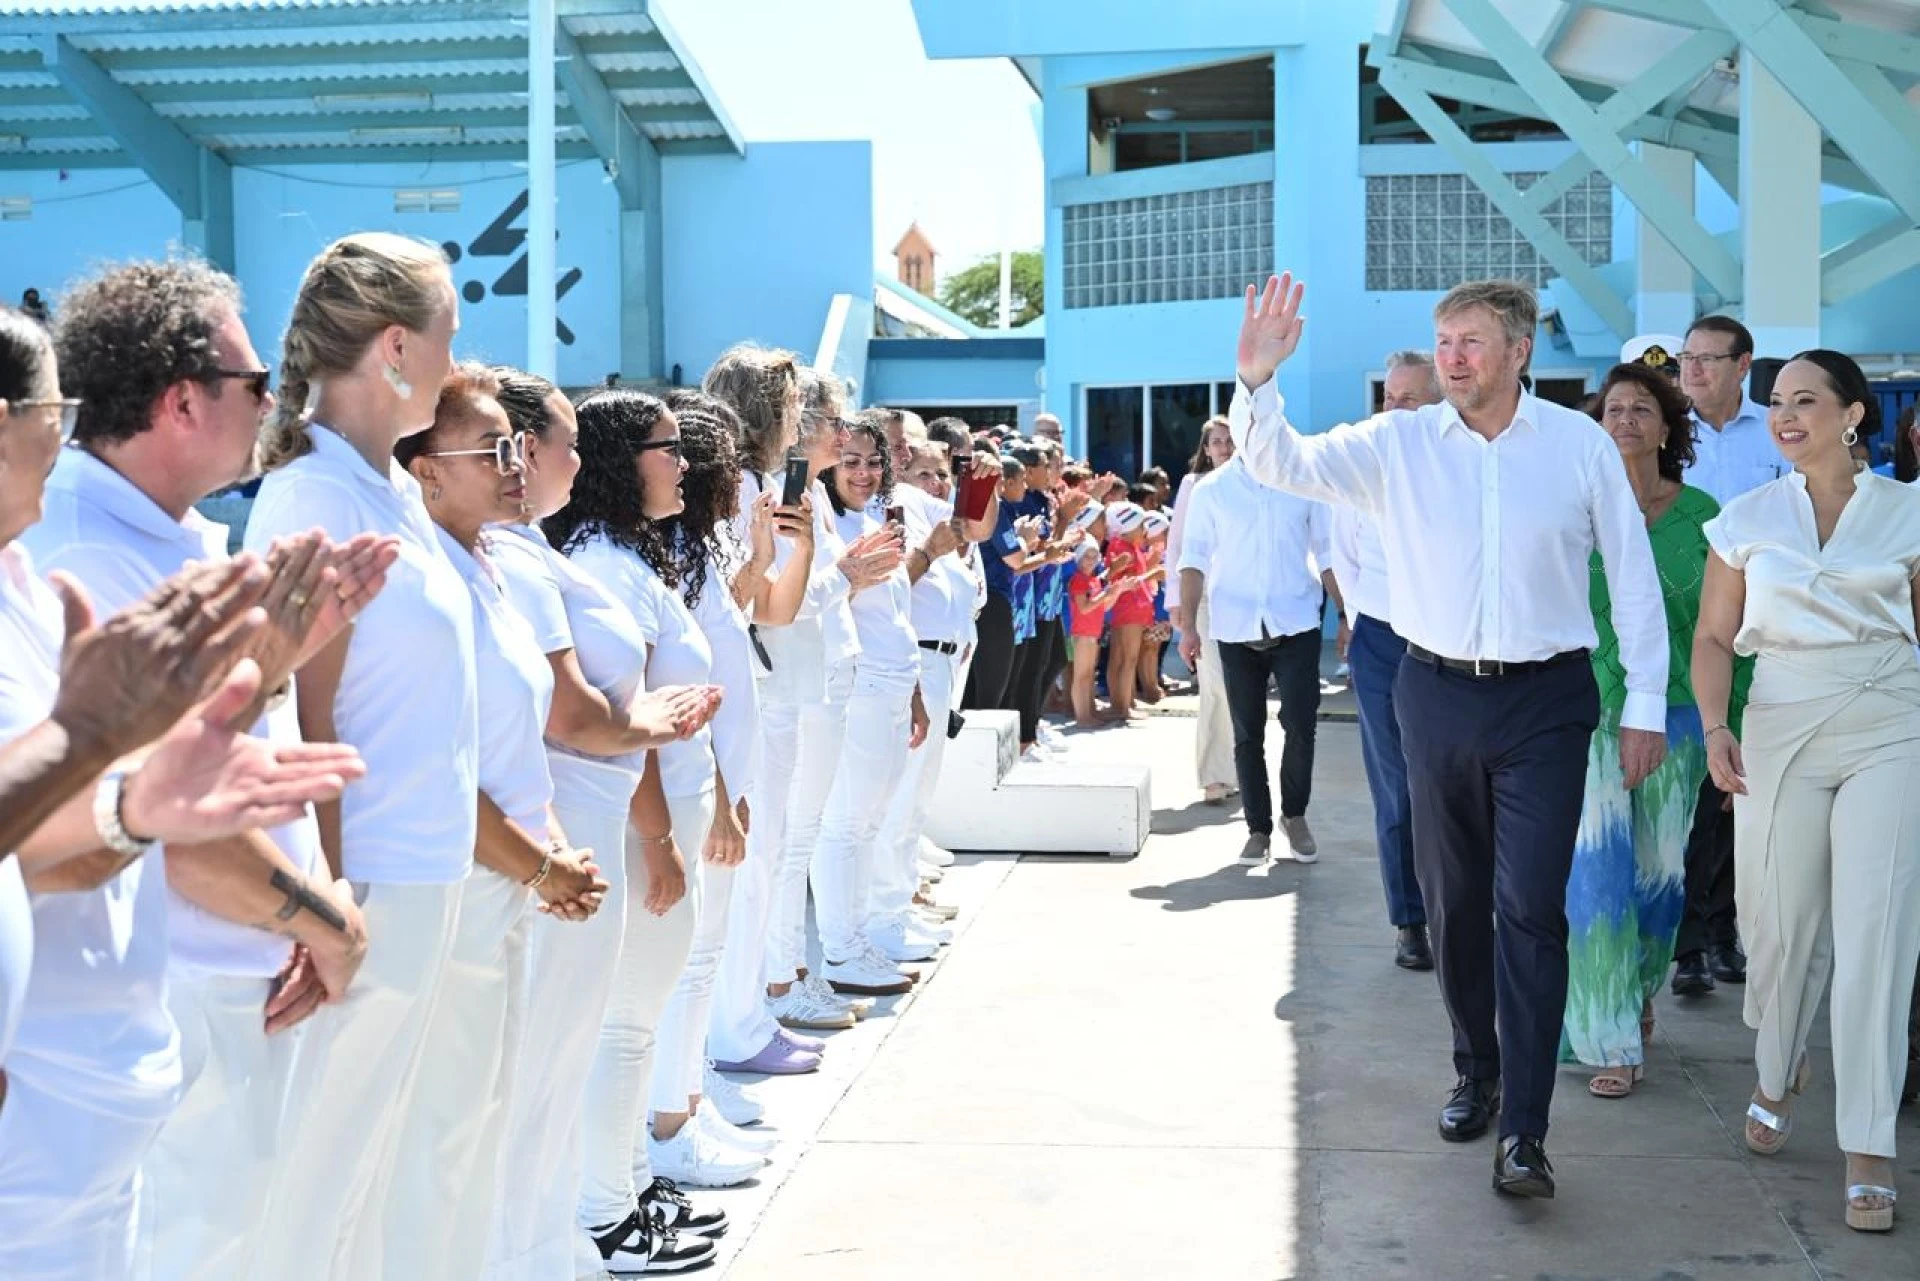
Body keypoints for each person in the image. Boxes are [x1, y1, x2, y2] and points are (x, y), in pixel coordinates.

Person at [1232, 273, 1668, 1199]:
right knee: (1455, 903)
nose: (1454, 358)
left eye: (1472, 341)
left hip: (1547, 701)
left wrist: (1644, 703)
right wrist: (1258, 381)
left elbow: (1632, 576)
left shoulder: (1579, 446)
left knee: (1531, 908)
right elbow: (1280, 464)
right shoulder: (1396, 443)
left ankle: (1526, 1132)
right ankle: (1477, 1067)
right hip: (1434, 693)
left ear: (1519, 351)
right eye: (1444, 342)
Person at [25, 260, 386, 1281]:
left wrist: (275, 661)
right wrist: (324, 920)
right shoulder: (89, 560)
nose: (274, 404)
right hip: (176, 996)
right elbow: (158, 816)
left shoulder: (162, 536)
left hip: (232, 979)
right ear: (182, 402)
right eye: (255, 384)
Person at [245, 231, 481, 1281]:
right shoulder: (318, 498)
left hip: (418, 873)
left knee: (373, 1178)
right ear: (394, 347)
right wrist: (325, 898)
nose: (454, 361)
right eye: (446, 335)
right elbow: (300, 713)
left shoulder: (385, 489)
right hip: (367, 885)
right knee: (318, 1192)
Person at [485, 370, 721, 1279]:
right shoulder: (526, 558)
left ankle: (569, 1234)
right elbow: (572, 712)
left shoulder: (538, 552)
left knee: (569, 1048)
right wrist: (648, 725)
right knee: (551, 1057)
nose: (574, 462)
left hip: (587, 815)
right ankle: (575, 1230)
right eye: (565, 443)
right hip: (570, 825)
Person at [1692, 348, 1920, 1234]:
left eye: (1805, 400)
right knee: (1779, 925)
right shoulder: (1746, 517)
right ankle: (1779, 1064)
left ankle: (1869, 1143)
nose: (1784, 416)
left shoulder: (1908, 511)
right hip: (1780, 723)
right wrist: (1716, 726)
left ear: (1853, 413)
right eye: (1777, 402)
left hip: (1890, 720)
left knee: (1876, 931)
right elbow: (1715, 638)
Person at [392, 364, 608, 1281]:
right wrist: (541, 867)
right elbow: (437, 765)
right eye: (492, 450)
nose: (515, 466)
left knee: (486, 1115)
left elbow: (516, 742)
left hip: (511, 875)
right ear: (425, 471)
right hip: (466, 881)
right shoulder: (422, 579)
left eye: (518, 446)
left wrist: (551, 845)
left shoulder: (485, 564)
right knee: (444, 1134)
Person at [549, 390, 766, 1202]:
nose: (684, 464)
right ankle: (612, 1207)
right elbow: (622, 717)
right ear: (622, 461)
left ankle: (636, 1187)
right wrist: (658, 839)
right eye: (667, 449)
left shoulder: (630, 555)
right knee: (627, 1022)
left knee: (639, 1019)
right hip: (644, 828)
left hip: (667, 815)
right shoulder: (607, 566)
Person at [1560, 363, 1717, 1099]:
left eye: (1641, 408)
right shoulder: (1575, 510)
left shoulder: (1704, 517)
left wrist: (1727, 721)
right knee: (1596, 875)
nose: (1624, 419)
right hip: (1586, 712)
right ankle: (1609, 1035)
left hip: (1677, 717)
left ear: (1667, 427)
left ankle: (1637, 987)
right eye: (1612, 409)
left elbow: (1727, 631)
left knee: (1660, 878)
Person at [702, 346, 857, 1051]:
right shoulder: (740, 488)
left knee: (767, 859)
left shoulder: (763, 483)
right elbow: (762, 604)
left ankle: (750, 1014)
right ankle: (739, 1021)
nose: (803, 420)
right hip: (761, 689)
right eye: (794, 405)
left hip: (781, 686)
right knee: (756, 861)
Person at [1671, 314, 1777, 998]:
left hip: (1760, 629)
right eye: (1688, 357)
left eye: (1709, 358)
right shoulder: (1667, 434)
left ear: (1743, 364)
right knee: (1687, 789)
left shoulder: (1776, 432)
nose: (1693, 369)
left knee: (1735, 785)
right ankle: (1687, 945)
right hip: (1685, 625)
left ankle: (1721, 930)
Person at [1330, 350, 1441, 969]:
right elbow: (1344, 558)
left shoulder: (1461, 467)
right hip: (1383, 639)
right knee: (1395, 785)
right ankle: (1410, 920)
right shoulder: (1361, 469)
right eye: (1388, 398)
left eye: (1409, 399)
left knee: (1454, 785)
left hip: (1452, 643)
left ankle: (1464, 911)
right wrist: (1365, 618)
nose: (1394, 410)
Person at [813, 414, 931, 979]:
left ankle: (861, 939)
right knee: (845, 824)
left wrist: (915, 694)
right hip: (857, 687)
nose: (864, 472)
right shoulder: (825, 525)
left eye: (874, 462)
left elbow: (897, 616)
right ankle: (841, 948)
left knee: (872, 822)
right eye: (851, 461)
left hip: (895, 686)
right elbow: (817, 604)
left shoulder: (874, 518)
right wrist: (849, 575)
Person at [1176, 441, 1331, 866]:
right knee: (1247, 733)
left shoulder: (1303, 480)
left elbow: (1326, 551)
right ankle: (1258, 830)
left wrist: (1346, 616)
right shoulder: (1212, 490)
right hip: (1235, 627)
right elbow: (1193, 560)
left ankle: (1294, 816)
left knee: (1301, 726)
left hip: (1296, 621)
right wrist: (1187, 627)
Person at [872, 439, 974, 949]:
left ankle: (903, 901)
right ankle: (887, 912)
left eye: (943, 474)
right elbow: (893, 591)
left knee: (916, 800)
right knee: (898, 799)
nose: (937, 484)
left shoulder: (934, 519)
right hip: (914, 662)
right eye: (925, 473)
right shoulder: (896, 517)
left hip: (941, 664)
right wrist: (930, 551)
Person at [1168, 417, 1236, 802]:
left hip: (1244, 599)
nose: (1224, 448)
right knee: (1215, 683)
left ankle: (1239, 768)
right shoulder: (1193, 486)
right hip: (1204, 597)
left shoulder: (1255, 480)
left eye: (1230, 441)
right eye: (1217, 442)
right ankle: (1215, 775)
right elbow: (1176, 545)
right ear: (1206, 450)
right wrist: (1177, 602)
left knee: (1242, 686)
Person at [1103, 503, 1157, 721]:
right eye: (1141, 525)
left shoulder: (1126, 546)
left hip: (1127, 609)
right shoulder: (1122, 548)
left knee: (1120, 658)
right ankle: (1122, 707)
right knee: (1128, 658)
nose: (1145, 530)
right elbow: (1117, 577)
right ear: (1130, 526)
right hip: (1128, 609)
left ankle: (1123, 702)